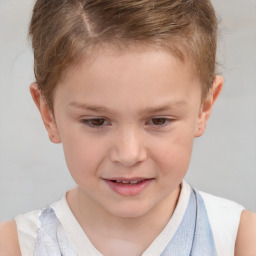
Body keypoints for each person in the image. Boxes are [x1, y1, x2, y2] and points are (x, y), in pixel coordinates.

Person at [0, 0, 255, 255]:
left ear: (204, 109)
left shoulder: (239, 241)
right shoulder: (15, 246)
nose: (129, 154)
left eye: (158, 121)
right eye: (96, 121)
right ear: (48, 115)